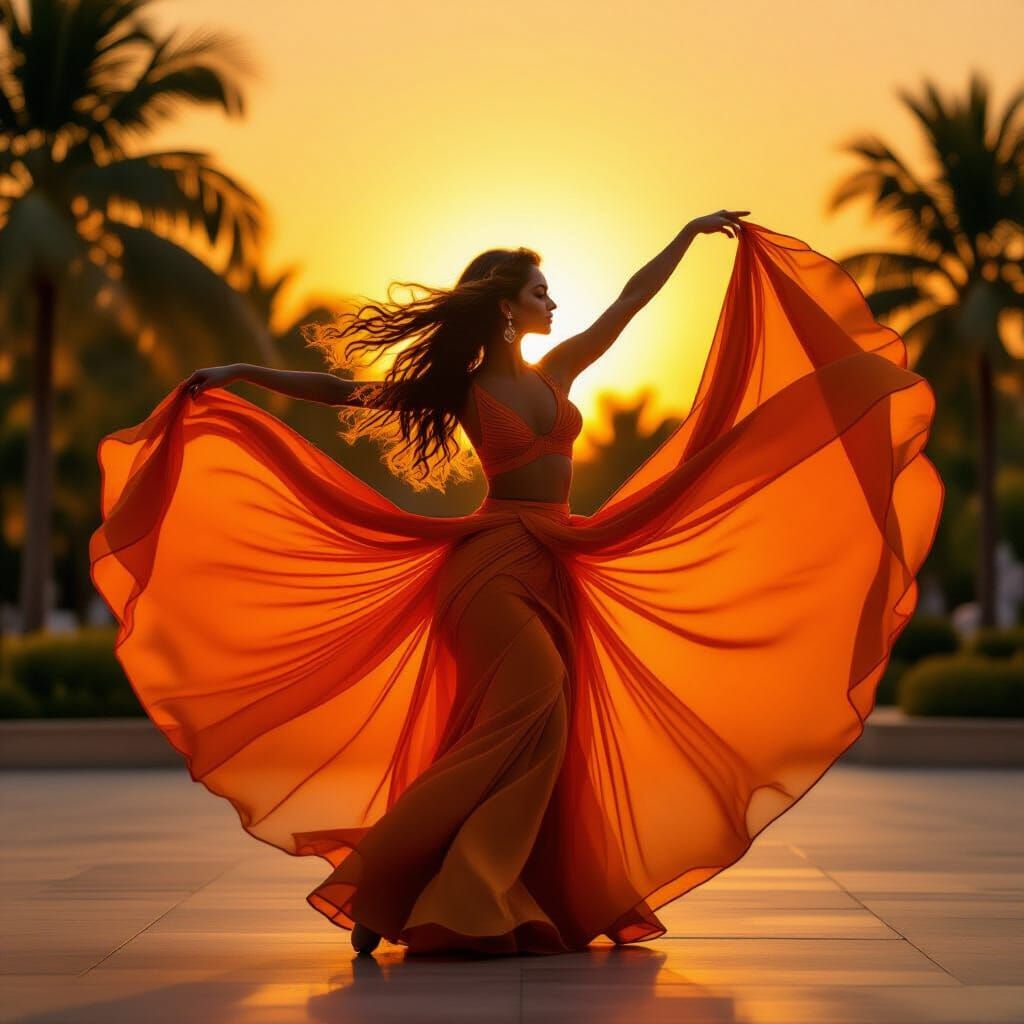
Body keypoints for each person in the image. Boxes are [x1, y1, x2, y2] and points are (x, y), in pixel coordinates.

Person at [89, 212, 943, 958]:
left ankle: (442, 894)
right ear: (506, 304)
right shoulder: (462, 388)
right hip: (489, 569)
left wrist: (685, 239)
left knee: (540, 730)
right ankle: (386, 881)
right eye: (540, 290)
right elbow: (346, 389)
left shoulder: (557, 372)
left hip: (556, 562)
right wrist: (244, 376)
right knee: (529, 705)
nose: (554, 302)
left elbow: (627, 306)